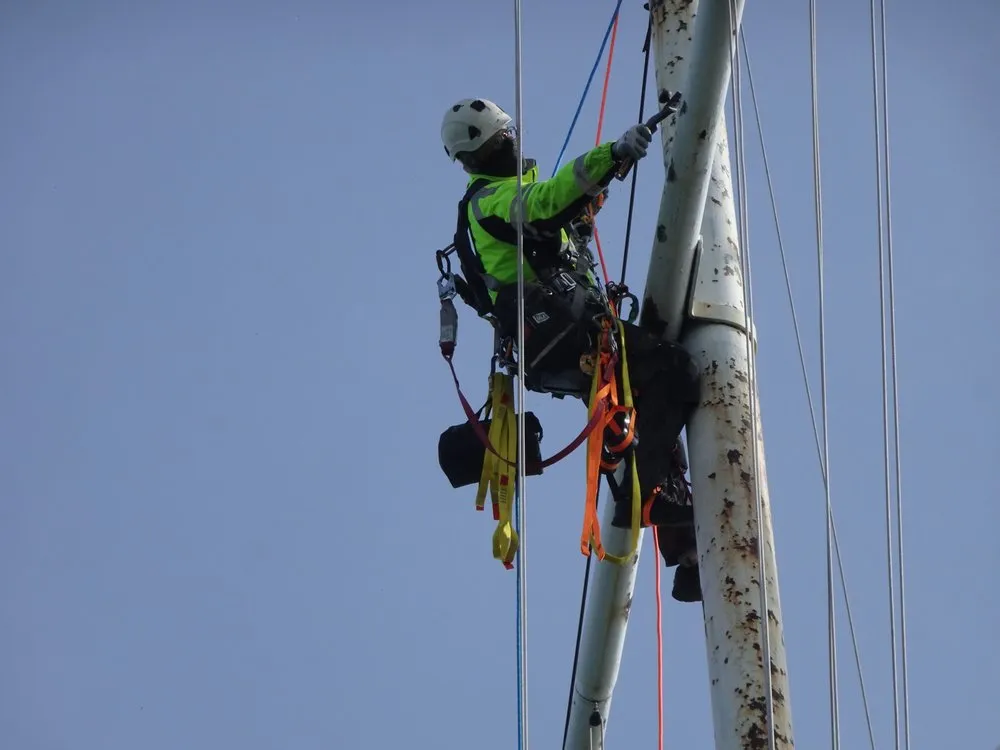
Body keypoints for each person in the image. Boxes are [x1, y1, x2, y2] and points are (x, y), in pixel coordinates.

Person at [441, 97, 702, 601]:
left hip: (556, 342)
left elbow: (556, 218)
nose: (509, 145)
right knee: (675, 372)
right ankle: (643, 499)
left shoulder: (497, 209)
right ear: (480, 157)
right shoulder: (493, 201)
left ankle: (686, 550)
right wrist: (611, 155)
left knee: (643, 417)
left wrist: (596, 191)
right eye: (500, 142)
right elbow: (546, 202)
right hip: (565, 333)